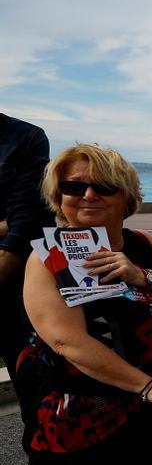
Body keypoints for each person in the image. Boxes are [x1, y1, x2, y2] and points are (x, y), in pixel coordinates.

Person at [20, 143, 152, 465]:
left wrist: (143, 276)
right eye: (73, 187)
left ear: (127, 197)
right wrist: (151, 388)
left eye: (104, 186)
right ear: (57, 198)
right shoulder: (46, 256)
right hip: (86, 411)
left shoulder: (141, 244)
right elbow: (68, 342)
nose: (88, 195)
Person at [1, 113, 55, 381]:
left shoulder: (25, 137)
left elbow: (26, 221)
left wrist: (11, 226)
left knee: (31, 378)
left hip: (16, 284)